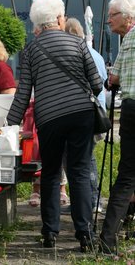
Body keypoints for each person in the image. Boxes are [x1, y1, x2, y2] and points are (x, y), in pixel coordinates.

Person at [6, 0, 102, 252]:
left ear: (37, 22)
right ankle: (85, 234)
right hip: (81, 114)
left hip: (48, 118)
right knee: (79, 171)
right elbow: (96, 83)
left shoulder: (30, 50)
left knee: (50, 172)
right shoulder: (77, 43)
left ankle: (50, 233)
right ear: (60, 18)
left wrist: (10, 124)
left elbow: (23, 92)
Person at [100, 0, 135, 254]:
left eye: (112, 14)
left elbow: (113, 79)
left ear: (128, 17)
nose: (108, 19)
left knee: (128, 175)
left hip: (132, 110)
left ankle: (108, 240)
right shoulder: (127, 37)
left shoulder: (129, 39)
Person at [65, 17, 107, 213]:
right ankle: (89, 201)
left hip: (82, 114)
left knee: (82, 162)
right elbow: (104, 84)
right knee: (86, 160)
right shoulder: (96, 55)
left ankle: (89, 202)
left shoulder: (77, 54)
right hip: (96, 115)